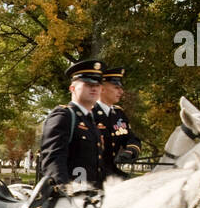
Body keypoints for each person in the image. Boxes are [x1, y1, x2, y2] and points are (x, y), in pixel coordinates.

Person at [37, 59, 108, 190]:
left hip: (91, 200)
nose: (93, 88)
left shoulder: (91, 121)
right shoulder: (64, 116)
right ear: (72, 88)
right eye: (87, 84)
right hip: (70, 202)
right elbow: (53, 160)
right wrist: (65, 193)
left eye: (97, 85)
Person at [96, 66, 142, 178]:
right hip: (91, 176)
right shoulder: (88, 113)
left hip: (113, 173)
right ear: (102, 88)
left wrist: (130, 151)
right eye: (116, 88)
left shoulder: (119, 113)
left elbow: (131, 138)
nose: (121, 92)